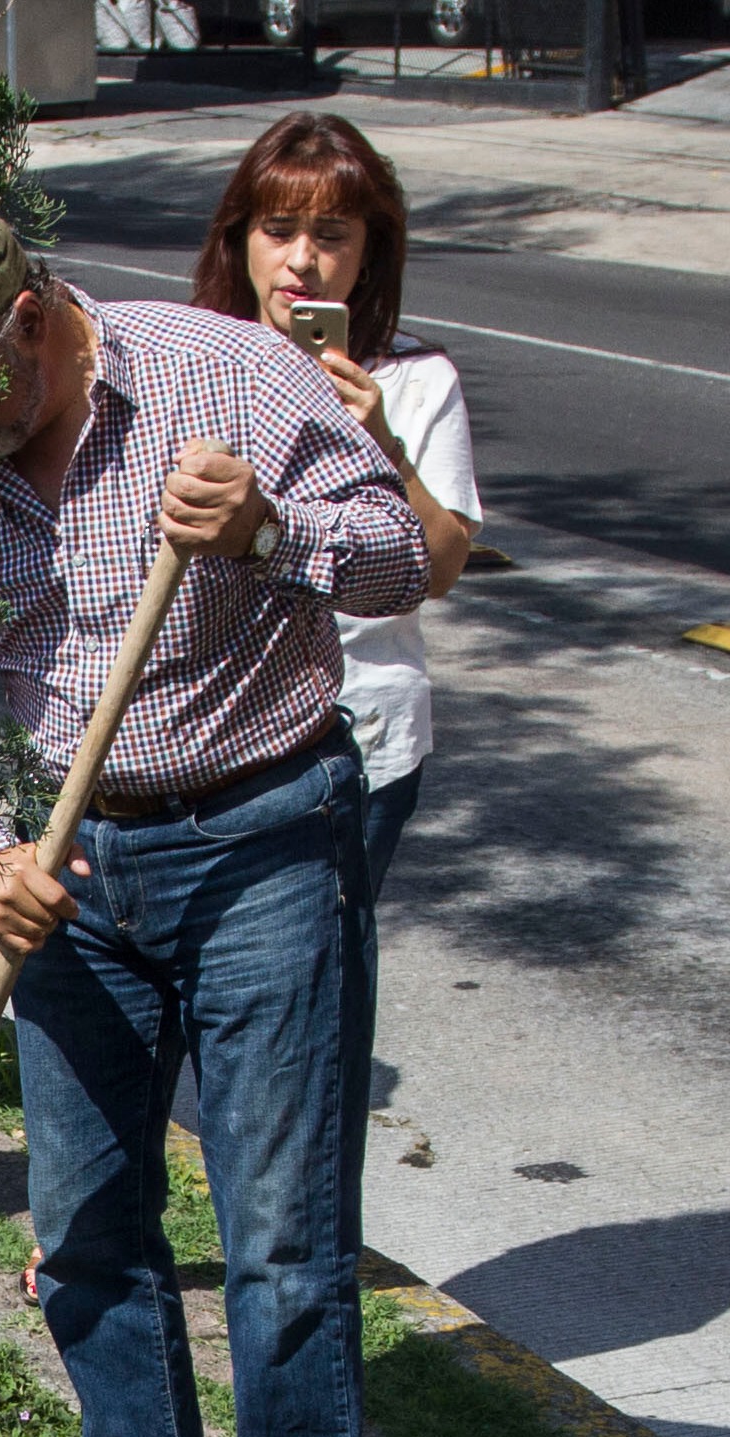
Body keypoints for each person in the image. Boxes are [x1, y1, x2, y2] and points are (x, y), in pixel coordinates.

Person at [0, 233, 426, 1437]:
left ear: (31, 322)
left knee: (277, 1216)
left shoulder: (227, 374)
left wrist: (269, 532)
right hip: (66, 861)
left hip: (262, 830)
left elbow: (398, 558)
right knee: (79, 1211)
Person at [181, 113, 475, 908]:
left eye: (332, 235)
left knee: (317, 992)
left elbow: (442, 567)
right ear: (239, 238)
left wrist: (380, 440)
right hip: (205, 730)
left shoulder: (415, 379)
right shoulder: (193, 361)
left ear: (370, 249)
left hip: (366, 732)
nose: (302, 261)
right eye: (278, 231)